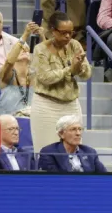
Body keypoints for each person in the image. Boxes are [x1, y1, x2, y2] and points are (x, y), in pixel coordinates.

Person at [29, 12, 90, 152]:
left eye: (71, 32)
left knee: (75, 150)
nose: (68, 36)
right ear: (53, 31)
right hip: (46, 105)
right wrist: (70, 69)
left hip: (71, 104)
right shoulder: (41, 49)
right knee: (45, 151)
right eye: (63, 33)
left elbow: (87, 74)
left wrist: (79, 68)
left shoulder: (75, 45)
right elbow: (46, 77)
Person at [38, 114, 107, 173]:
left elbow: (105, 177)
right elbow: (53, 181)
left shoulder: (90, 152)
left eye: (80, 129)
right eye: (73, 129)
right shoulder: (49, 153)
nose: (78, 133)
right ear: (61, 134)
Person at [0, 24, 38, 117]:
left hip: (30, 122)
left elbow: (48, 64)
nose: (24, 50)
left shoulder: (34, 75)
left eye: (27, 49)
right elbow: (9, 62)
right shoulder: (6, 73)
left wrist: (42, 36)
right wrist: (25, 35)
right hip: (8, 122)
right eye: (20, 48)